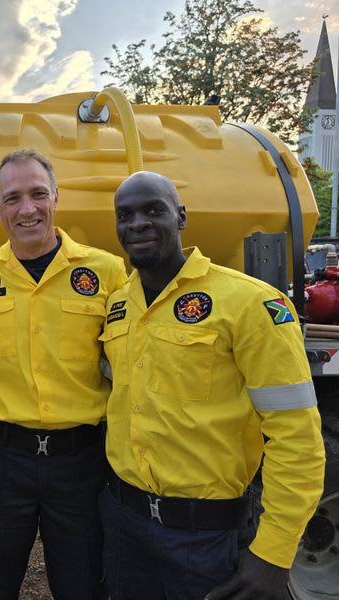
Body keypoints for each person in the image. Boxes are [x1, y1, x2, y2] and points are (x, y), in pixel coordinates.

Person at [99, 170, 325, 600]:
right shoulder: (119, 305)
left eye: (154, 210)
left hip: (205, 538)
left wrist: (274, 554)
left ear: (181, 216)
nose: (138, 224)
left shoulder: (249, 302)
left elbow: (297, 438)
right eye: (125, 215)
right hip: (126, 525)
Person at [0, 149, 127, 599]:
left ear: (56, 196)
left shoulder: (106, 271)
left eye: (38, 194)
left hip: (80, 462)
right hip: (2, 460)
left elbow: (125, 362)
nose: (27, 209)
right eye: (12, 198)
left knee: (82, 586)